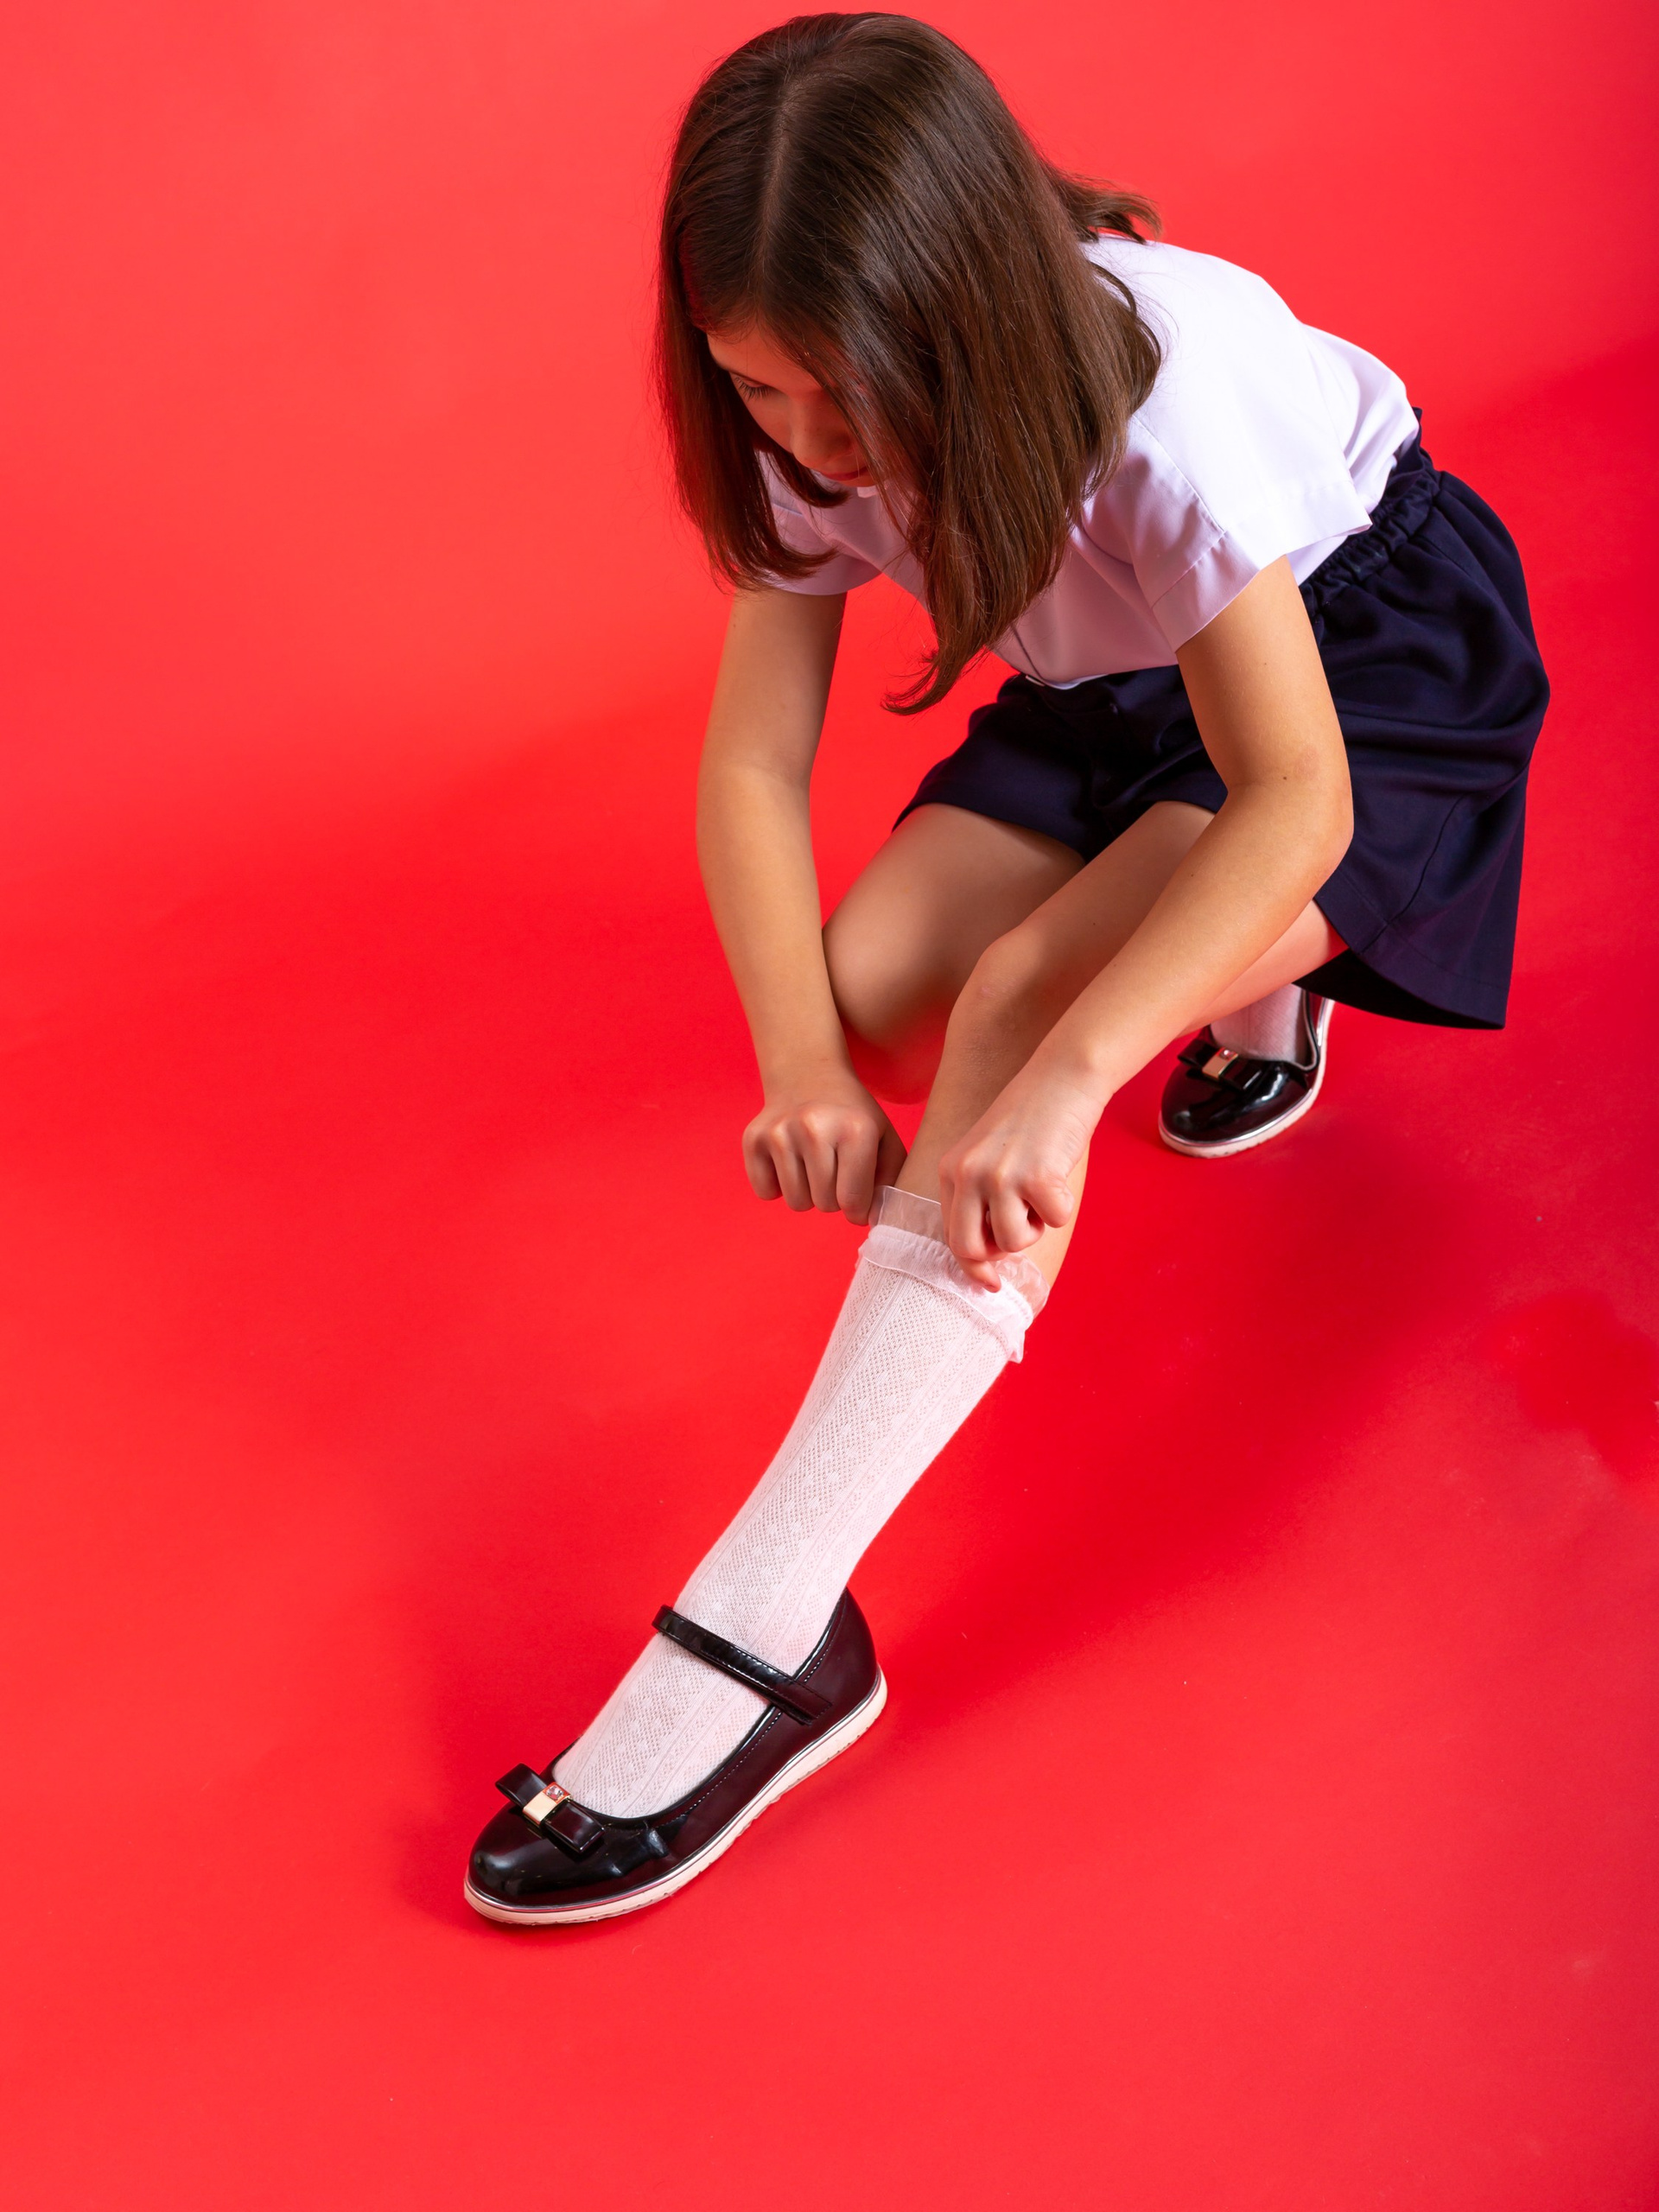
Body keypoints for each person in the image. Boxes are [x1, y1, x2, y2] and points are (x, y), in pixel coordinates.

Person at [466, 12, 1548, 1924]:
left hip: (1350, 673)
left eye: (844, 400)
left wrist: (1066, 1074)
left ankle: (774, 1626)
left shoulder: (1172, 394)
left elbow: (1295, 791)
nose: (810, 445)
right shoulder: (797, 422)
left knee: (1022, 1005)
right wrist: (803, 1065)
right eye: (760, 389)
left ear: (961, 312)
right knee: (882, 996)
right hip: (1118, 678)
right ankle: (1233, 978)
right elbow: (751, 762)